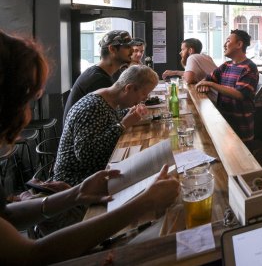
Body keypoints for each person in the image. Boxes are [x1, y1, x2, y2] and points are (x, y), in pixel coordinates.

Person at [0, 31, 178, 265]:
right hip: (72, 189)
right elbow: (31, 256)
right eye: (23, 100)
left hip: (76, 188)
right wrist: (144, 202)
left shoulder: (107, 100)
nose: (27, 115)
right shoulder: (94, 103)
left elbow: (8, 216)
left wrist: (75, 194)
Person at [54, 65, 158, 186]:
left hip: (96, 172)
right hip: (75, 182)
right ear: (129, 88)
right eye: (143, 95)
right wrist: (123, 125)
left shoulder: (108, 100)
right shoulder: (92, 106)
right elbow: (85, 154)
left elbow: (108, 119)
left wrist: (129, 114)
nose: (143, 100)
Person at [196, 30, 259, 142]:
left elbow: (240, 94)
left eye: (228, 41)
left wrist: (210, 84)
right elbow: (207, 78)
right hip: (224, 123)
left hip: (241, 128)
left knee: (240, 158)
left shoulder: (249, 67)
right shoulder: (226, 65)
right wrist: (205, 84)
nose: (224, 44)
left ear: (239, 45)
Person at [63, 30, 134, 121]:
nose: (132, 50)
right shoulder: (98, 80)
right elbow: (111, 118)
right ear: (112, 49)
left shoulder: (104, 73)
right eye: (127, 47)